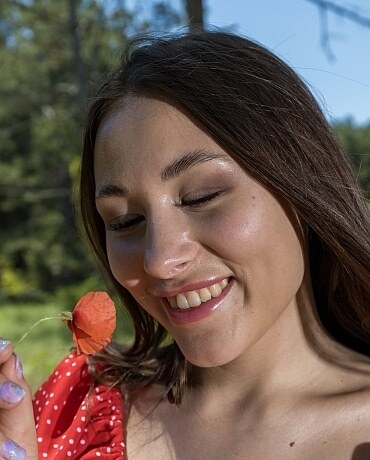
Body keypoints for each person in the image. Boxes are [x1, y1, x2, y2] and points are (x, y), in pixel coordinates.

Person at [0, 30, 369, 460]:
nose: (160, 260)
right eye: (126, 221)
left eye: (201, 197)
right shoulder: (73, 408)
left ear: (303, 186)